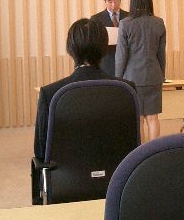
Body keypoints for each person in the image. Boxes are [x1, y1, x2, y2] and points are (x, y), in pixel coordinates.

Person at [34, 19, 135, 161]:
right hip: (117, 173)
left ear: (70, 49)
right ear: (105, 48)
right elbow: (132, 143)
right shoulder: (126, 90)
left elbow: (41, 152)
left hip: (67, 174)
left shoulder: (49, 94)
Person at [115, 0, 166, 142]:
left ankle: (141, 153)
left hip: (132, 78)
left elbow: (121, 56)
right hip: (154, 75)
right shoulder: (159, 22)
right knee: (153, 118)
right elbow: (161, 54)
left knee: (139, 119)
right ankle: (154, 152)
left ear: (133, 0)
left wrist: (118, 79)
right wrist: (162, 75)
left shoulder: (125, 23)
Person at [91, 0, 129, 76]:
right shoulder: (96, 19)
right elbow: (93, 43)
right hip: (106, 62)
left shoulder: (129, 17)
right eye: (110, 1)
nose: (113, 4)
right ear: (105, 1)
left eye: (116, 0)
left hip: (127, 63)